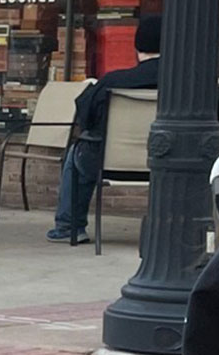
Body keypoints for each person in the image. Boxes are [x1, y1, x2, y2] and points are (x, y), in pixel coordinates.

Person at [49, 14, 162, 244]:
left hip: (105, 164)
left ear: (137, 47)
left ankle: (69, 228)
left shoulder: (113, 81)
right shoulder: (186, 85)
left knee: (77, 150)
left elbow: (85, 117)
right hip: (164, 163)